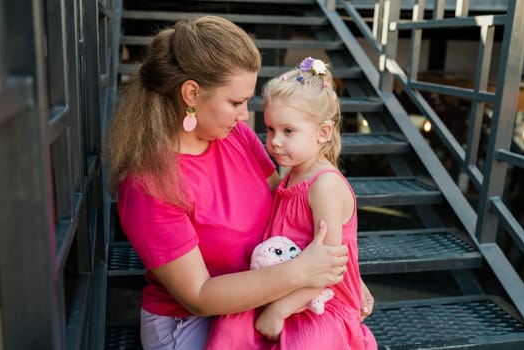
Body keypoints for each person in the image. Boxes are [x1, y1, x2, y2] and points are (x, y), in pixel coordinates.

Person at [105, 16, 358, 350]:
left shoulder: (234, 135)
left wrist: (339, 279)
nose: (245, 116)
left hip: (267, 296)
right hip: (191, 321)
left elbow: (286, 208)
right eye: (236, 102)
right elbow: (199, 296)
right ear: (192, 93)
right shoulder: (150, 185)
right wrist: (302, 273)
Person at [205, 57, 377, 349]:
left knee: (305, 343)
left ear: (322, 133)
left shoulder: (324, 185)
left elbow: (328, 269)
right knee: (228, 330)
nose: (274, 142)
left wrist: (278, 310)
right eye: (271, 129)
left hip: (321, 299)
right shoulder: (291, 176)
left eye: (288, 131)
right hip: (286, 285)